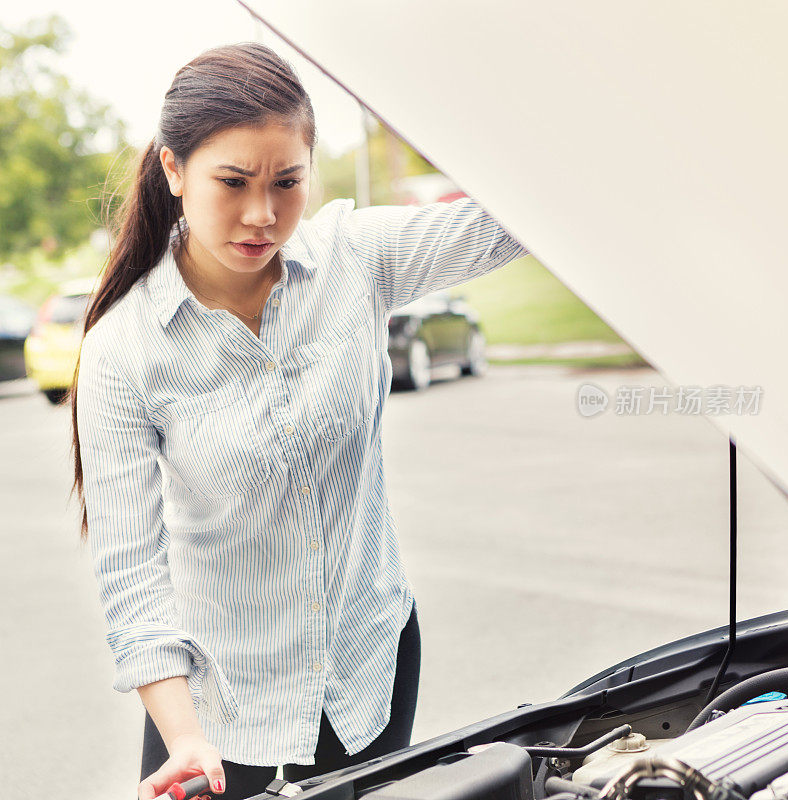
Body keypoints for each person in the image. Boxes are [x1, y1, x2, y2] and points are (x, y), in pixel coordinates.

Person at [71, 42, 527, 800]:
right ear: (173, 170)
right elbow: (133, 577)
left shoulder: (355, 258)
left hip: (366, 666)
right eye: (233, 182)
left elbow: (512, 221)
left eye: (287, 181)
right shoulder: (124, 349)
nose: (262, 214)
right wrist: (183, 739)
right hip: (218, 712)